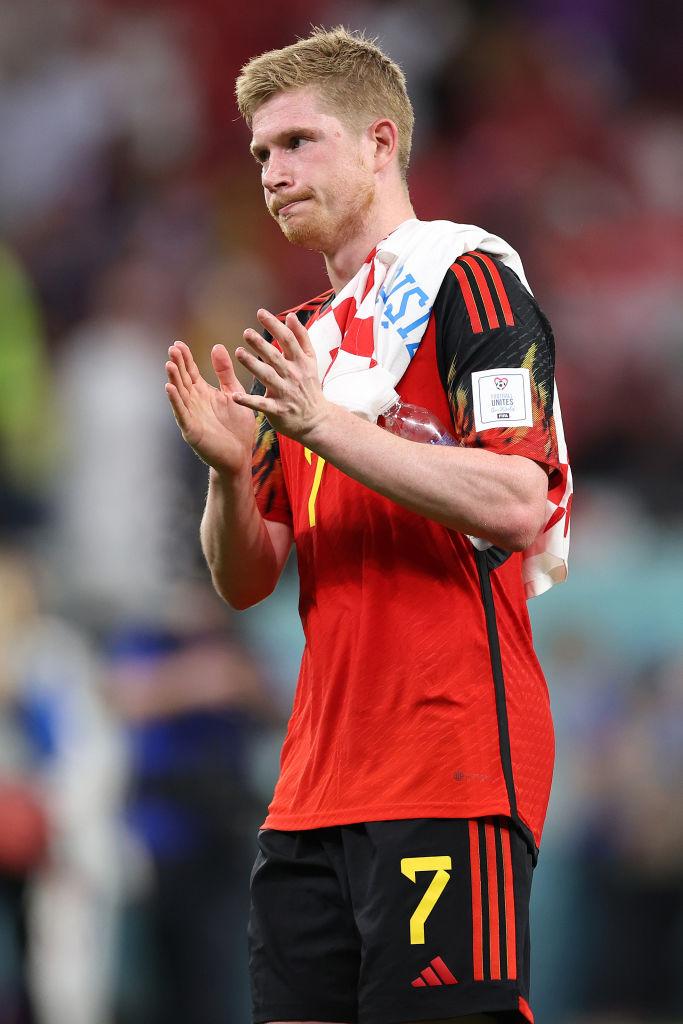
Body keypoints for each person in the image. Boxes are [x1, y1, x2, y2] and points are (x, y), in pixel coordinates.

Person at [164, 26, 571, 1024]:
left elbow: (518, 500)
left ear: (380, 142)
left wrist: (322, 426)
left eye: (298, 142)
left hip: (448, 758)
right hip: (312, 786)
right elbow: (246, 579)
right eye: (261, 152)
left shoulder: (467, 280)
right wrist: (227, 474)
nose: (272, 173)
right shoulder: (306, 342)